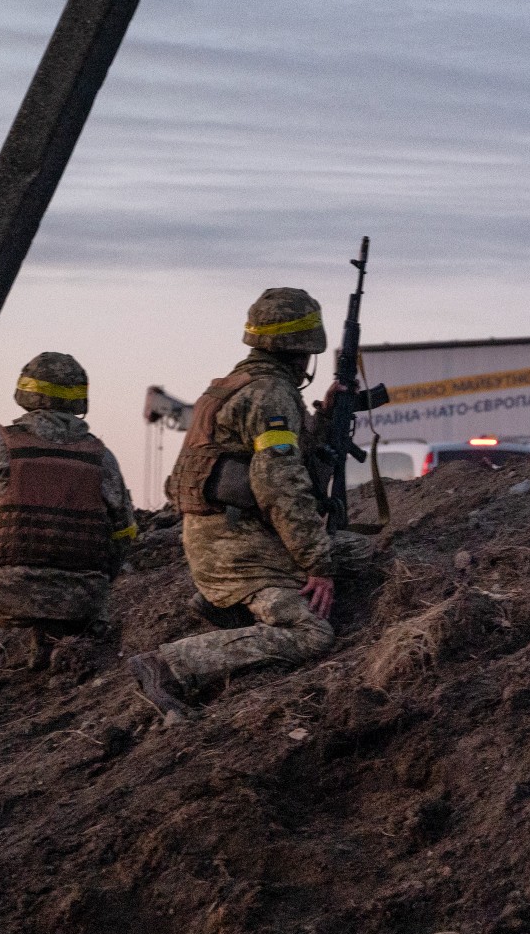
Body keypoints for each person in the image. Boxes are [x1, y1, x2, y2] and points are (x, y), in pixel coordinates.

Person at [128, 288, 374, 716]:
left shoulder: (241, 386)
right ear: (305, 350)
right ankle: (168, 665)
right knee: (311, 634)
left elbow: (285, 460)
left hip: (236, 535)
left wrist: (325, 420)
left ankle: (231, 606)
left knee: (364, 555)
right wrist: (316, 564)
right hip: (235, 547)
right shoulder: (270, 395)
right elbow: (280, 482)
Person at [0, 352, 137, 693]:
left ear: (26, 394)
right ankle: (46, 663)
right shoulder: (102, 457)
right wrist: (93, 580)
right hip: (83, 599)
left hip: (3, 592)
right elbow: (123, 534)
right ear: (80, 399)